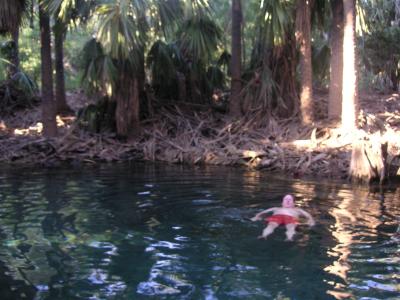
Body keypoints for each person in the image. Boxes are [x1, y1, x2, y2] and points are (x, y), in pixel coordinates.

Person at [251, 194, 315, 241]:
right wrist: (256, 217)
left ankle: (289, 238)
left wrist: (311, 221)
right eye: (286, 199)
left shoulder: (297, 209)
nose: (288, 201)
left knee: (291, 227)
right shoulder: (276, 208)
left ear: (293, 203)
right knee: (271, 225)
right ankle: (264, 236)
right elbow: (263, 212)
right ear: (282, 202)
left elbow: (308, 215)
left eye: (290, 200)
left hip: (290, 218)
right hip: (277, 217)